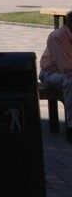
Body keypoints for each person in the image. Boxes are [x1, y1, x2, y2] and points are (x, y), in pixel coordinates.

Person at [39, 9, 72, 142]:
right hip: (50, 73)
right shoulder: (57, 36)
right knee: (70, 83)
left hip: (67, 72)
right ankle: (71, 126)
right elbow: (65, 67)